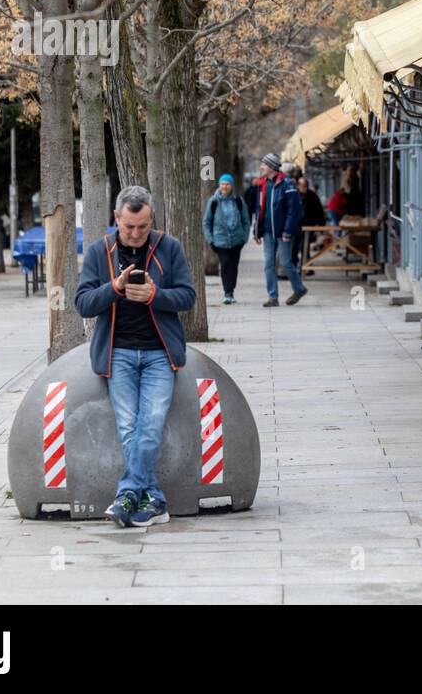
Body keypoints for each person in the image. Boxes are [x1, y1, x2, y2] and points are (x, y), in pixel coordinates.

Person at [74, 185, 197, 527]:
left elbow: (188, 297)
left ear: (151, 218)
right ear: (116, 218)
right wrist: (114, 289)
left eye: (143, 226)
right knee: (129, 427)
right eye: (129, 226)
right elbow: (82, 303)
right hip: (119, 354)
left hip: (159, 354)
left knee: (151, 425)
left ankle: (128, 493)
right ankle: (154, 500)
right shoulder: (101, 252)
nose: (136, 233)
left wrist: (155, 295)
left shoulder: (168, 248)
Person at [252, 152, 306, 307]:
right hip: (268, 232)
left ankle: (299, 289)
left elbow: (294, 210)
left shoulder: (288, 184)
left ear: (271, 167)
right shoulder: (263, 184)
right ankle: (273, 297)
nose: (261, 167)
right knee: (268, 264)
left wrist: (288, 231)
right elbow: (259, 208)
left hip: (284, 232)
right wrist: (257, 231)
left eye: (263, 164)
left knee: (285, 262)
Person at [204, 174, 249, 304]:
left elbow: (246, 221)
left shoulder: (238, 201)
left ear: (231, 186)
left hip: (237, 241)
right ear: (219, 185)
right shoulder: (213, 201)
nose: (225, 186)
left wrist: (244, 238)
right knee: (225, 265)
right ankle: (227, 292)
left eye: (227, 184)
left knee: (233, 266)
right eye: (222, 184)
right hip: (220, 241)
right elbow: (206, 222)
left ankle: (232, 291)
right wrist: (210, 239)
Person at [298, 175, 327, 275]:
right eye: (302, 186)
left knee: (303, 246)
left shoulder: (312, 196)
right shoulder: (295, 195)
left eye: (305, 186)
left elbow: (319, 210)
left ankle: (305, 268)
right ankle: (307, 267)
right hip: (298, 226)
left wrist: (321, 225)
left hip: (309, 225)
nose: (304, 188)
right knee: (302, 246)